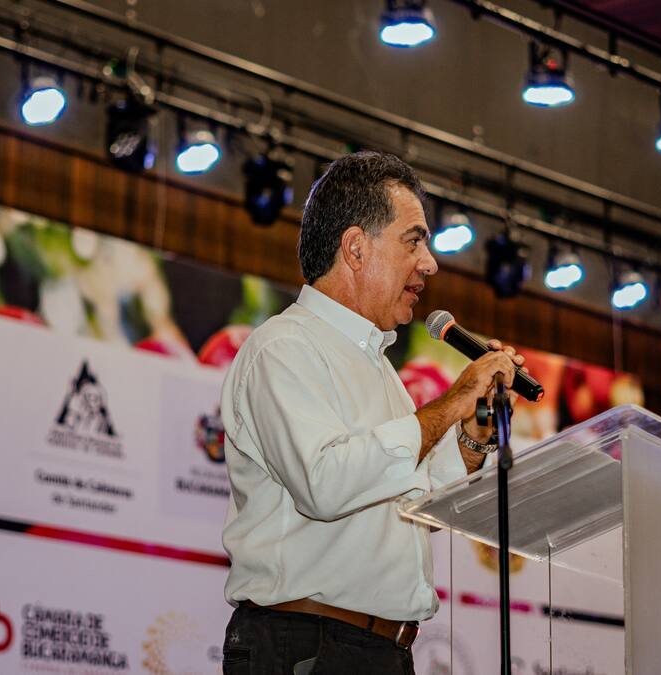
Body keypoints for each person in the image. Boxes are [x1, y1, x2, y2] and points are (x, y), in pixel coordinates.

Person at [220, 151, 525, 674]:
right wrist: (451, 400)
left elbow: (412, 500)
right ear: (356, 248)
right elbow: (325, 485)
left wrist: (472, 431)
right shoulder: (283, 348)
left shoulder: (380, 368)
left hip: (382, 652)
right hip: (307, 645)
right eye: (414, 240)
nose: (430, 263)